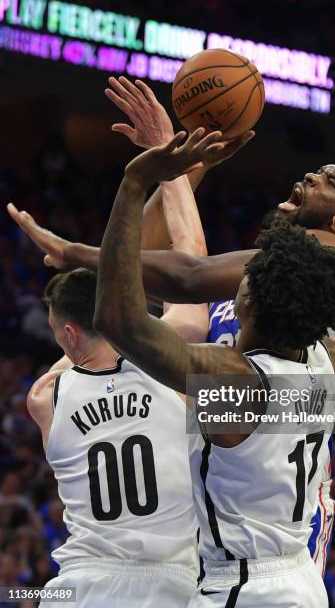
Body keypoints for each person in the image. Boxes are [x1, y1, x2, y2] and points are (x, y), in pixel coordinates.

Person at [92, 130, 335, 607]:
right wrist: (180, 174)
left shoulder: (317, 259)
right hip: (279, 548)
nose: (313, 175)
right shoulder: (318, 361)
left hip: (250, 564)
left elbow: (176, 283)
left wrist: (132, 189)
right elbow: (181, 270)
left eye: (331, 182)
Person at [25, 167, 214, 607]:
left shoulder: (43, 397)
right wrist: (178, 175)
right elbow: (191, 262)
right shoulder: (170, 364)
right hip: (169, 586)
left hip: (78, 586)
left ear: (68, 335)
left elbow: (94, 328)